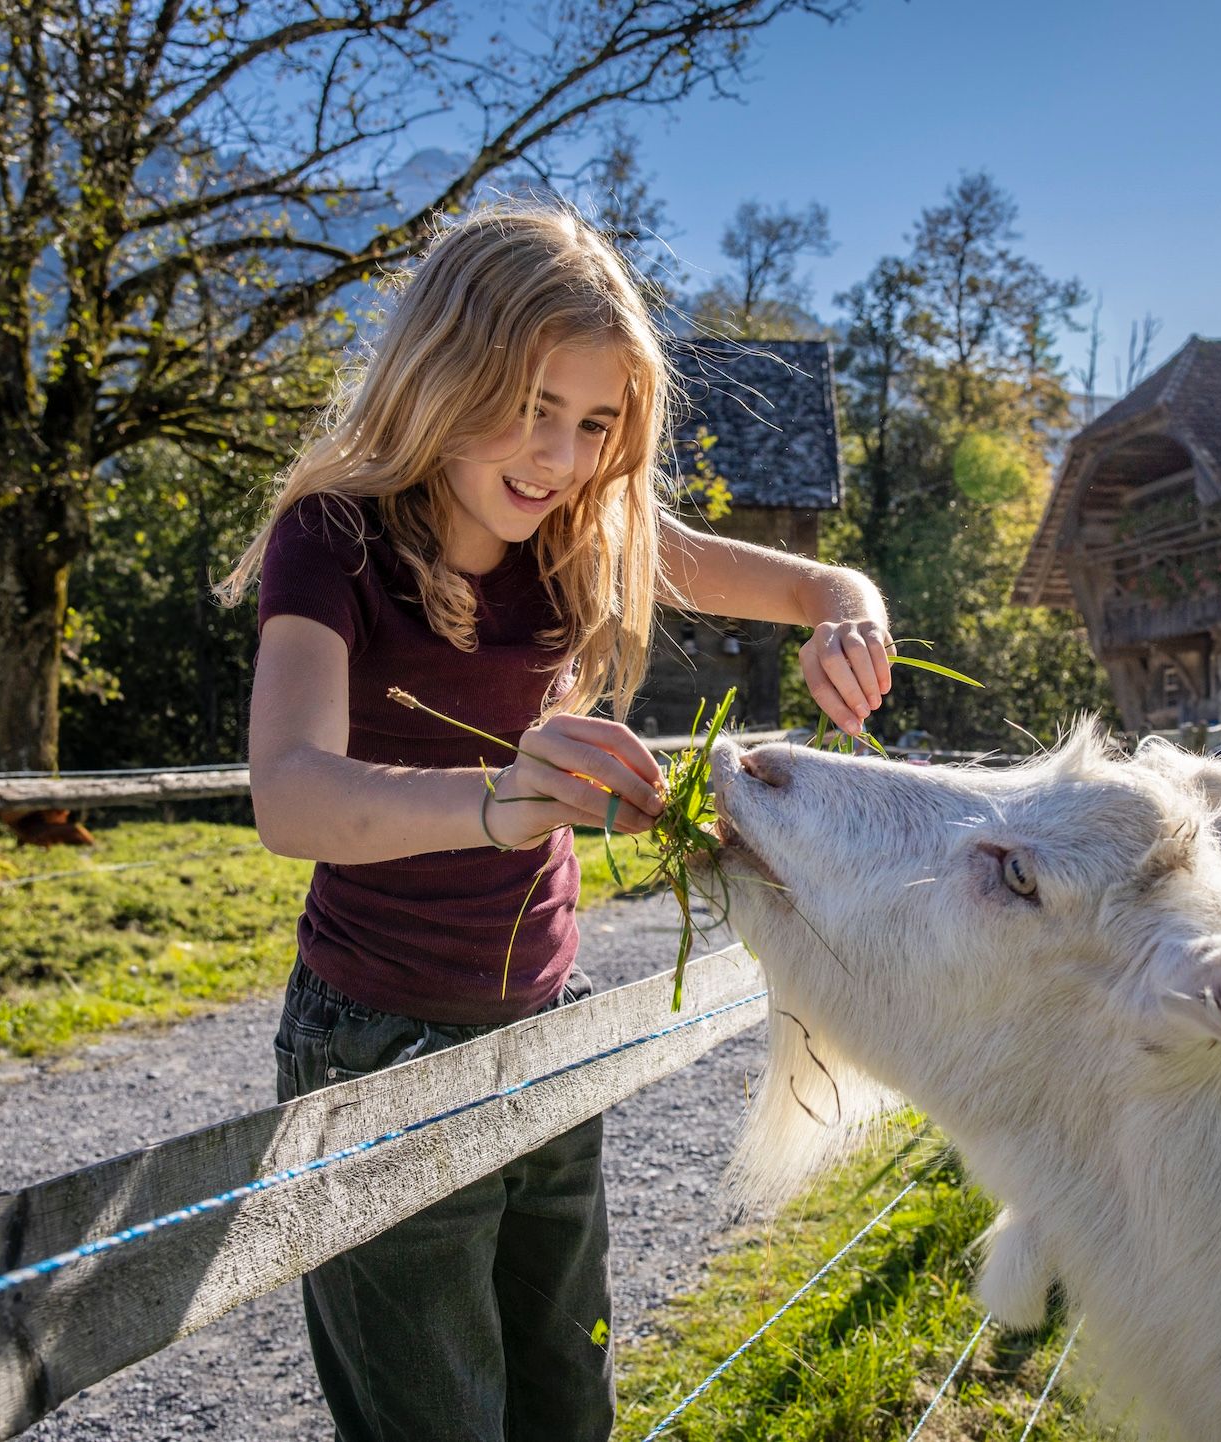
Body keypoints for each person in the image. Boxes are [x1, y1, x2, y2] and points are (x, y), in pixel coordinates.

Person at [216, 202, 893, 1442]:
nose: (560, 457)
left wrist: (850, 606)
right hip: (375, 1043)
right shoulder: (331, 538)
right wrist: (498, 800)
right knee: (441, 1419)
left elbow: (810, 585)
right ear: (440, 373)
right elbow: (291, 791)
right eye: (533, 407)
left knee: (568, 1401)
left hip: (545, 1022)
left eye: (594, 425)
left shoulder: (587, 528)